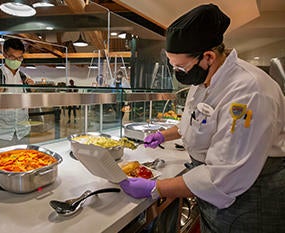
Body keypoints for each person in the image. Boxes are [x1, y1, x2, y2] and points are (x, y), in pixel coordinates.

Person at [119, 4, 285, 233]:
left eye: (181, 66)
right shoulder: (204, 80)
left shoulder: (249, 91)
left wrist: (155, 187)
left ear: (208, 56)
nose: (177, 72)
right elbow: (196, 121)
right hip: (213, 187)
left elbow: (224, 177)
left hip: (250, 198)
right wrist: (162, 135)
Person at [0, 38, 34, 150]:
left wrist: (31, 92)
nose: (16, 61)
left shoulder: (26, 78)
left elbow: (29, 106)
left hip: (23, 133)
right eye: (12, 57)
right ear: (4, 54)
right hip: (0, 135)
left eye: (20, 58)